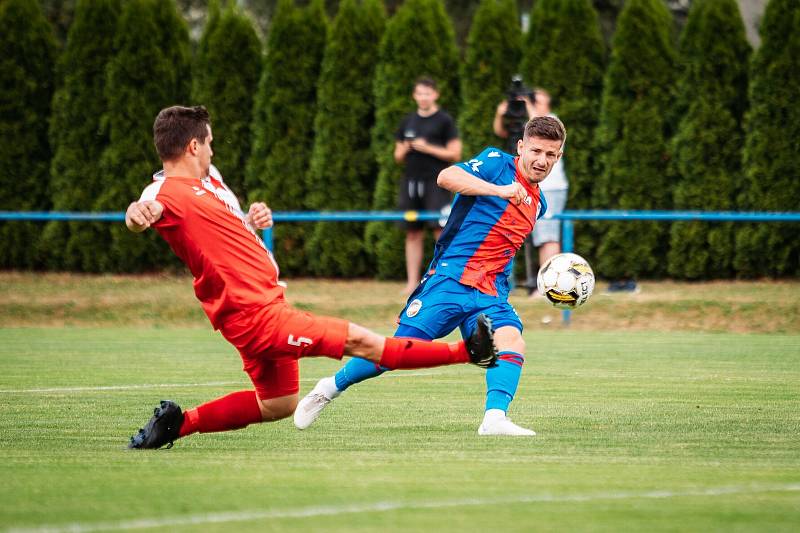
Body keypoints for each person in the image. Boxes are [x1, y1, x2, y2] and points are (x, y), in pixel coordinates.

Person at [124, 105, 498, 449]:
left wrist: (250, 223)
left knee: (278, 403)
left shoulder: (211, 180)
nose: (212, 152)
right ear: (192, 146)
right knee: (363, 342)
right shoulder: (163, 191)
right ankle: (467, 352)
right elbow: (144, 210)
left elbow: (220, 230)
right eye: (209, 144)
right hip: (257, 316)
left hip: (261, 305)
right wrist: (137, 214)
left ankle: (177, 424)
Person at [295, 116, 566, 436]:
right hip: (450, 280)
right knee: (396, 353)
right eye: (536, 151)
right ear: (521, 147)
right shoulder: (496, 164)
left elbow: (502, 246)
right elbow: (446, 176)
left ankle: (494, 419)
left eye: (551, 155)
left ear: (558, 156)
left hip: (490, 290)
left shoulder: (540, 204)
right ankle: (329, 387)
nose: (542, 161)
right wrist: (499, 191)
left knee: (511, 341)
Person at [495, 88, 568, 296]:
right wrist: (502, 113)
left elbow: (537, 126)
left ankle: (551, 287)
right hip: (529, 186)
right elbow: (502, 132)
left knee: (548, 237)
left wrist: (527, 106)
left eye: (538, 101)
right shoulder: (529, 125)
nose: (534, 104)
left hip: (551, 187)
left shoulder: (553, 124)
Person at [395, 76, 462, 295]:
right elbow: (397, 156)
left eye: (427, 93)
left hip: (437, 184)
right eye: (419, 93)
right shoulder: (407, 121)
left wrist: (427, 147)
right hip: (411, 184)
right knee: (412, 233)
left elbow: (455, 153)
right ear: (414, 95)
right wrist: (407, 147)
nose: (423, 97)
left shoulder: (444, 121)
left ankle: (444, 280)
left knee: (440, 230)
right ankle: (412, 282)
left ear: (435, 94)